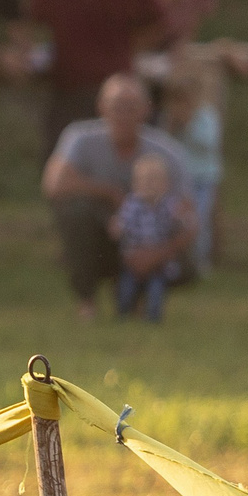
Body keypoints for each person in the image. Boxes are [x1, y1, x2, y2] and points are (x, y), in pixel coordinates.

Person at [42, 74, 198, 319]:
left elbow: (189, 217)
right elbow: (54, 184)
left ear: (146, 110)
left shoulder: (167, 152)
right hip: (103, 235)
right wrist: (109, 192)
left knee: (188, 261)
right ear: (101, 107)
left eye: (131, 107)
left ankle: (139, 297)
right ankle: (87, 300)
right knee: (73, 211)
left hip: (150, 239)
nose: (123, 115)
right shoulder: (80, 138)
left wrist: (156, 254)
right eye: (117, 106)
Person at [29, 0, 164, 148]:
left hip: (68, 77)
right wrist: (132, 45)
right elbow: (156, 16)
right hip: (116, 77)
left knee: (64, 156)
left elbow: (37, 12)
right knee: (118, 158)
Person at [108, 151, 197, 322]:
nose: (148, 185)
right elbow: (123, 222)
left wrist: (184, 217)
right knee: (126, 288)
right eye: (143, 180)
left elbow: (183, 221)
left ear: (165, 184)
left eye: (154, 180)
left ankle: (153, 317)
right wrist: (117, 227)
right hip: (133, 259)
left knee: (156, 289)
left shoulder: (169, 204)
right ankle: (124, 313)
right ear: (135, 184)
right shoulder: (131, 205)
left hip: (159, 264)